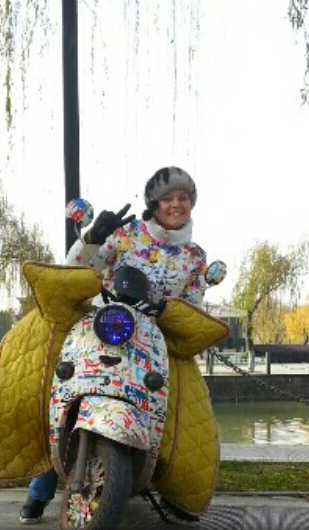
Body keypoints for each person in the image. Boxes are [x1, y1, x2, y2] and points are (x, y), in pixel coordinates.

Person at [19, 166, 207, 524]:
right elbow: (75, 267)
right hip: (103, 326)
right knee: (55, 391)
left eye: (183, 198)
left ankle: (176, 489)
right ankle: (40, 488)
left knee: (182, 407)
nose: (176, 204)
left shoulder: (195, 255)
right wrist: (92, 236)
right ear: (154, 203)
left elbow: (193, 303)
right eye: (168, 198)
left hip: (151, 340)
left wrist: (171, 311)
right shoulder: (127, 233)